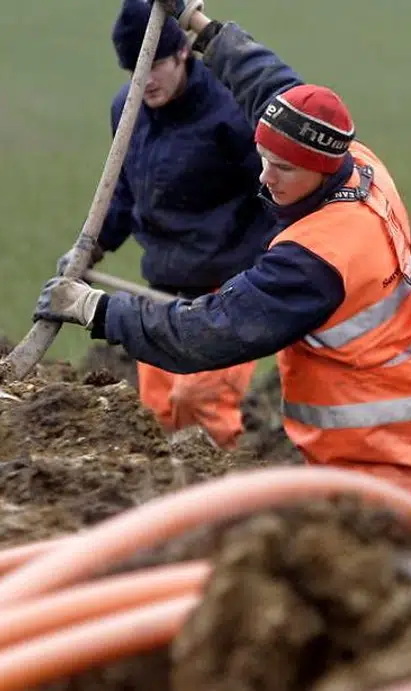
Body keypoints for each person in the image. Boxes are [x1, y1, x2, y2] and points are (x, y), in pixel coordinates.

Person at [35, 0, 411, 502]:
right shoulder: (354, 159)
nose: (265, 177)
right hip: (384, 417)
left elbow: (206, 334)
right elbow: (271, 86)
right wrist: (199, 25)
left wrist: (94, 308)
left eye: (283, 168)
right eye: (263, 158)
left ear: (320, 168)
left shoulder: (313, 259)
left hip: (382, 451)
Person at [63, 0, 276, 450]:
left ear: (182, 52)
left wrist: (279, 267)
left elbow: (274, 192)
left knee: (200, 404)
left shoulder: (229, 112)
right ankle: (169, 493)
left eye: (155, 64)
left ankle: (224, 491)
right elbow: (123, 192)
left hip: (228, 292)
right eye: (135, 69)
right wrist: (92, 248)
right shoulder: (127, 110)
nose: (146, 80)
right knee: (158, 418)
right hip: (162, 289)